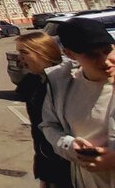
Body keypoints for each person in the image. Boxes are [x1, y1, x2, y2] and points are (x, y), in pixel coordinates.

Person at [40, 18, 115, 187]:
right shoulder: (61, 86)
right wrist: (69, 146)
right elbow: (49, 126)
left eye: (107, 50)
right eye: (91, 55)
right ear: (69, 54)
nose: (104, 60)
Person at [15, 31, 72, 188]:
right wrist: (44, 171)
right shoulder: (32, 83)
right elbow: (38, 131)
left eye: (24, 52)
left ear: (43, 52)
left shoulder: (68, 80)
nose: (20, 58)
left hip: (72, 161)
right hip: (49, 161)